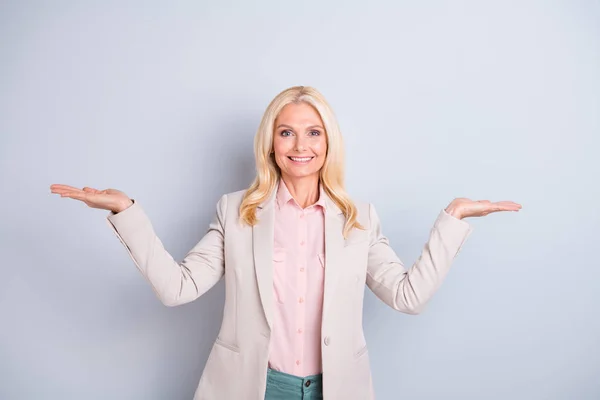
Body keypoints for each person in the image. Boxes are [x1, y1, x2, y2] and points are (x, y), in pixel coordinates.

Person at [50, 85, 521, 400]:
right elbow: (179, 288)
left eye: (313, 132)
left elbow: (407, 296)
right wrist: (125, 212)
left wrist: (453, 219)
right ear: (271, 143)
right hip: (253, 388)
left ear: (329, 142)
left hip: (335, 389)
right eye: (287, 132)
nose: (301, 145)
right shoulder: (236, 211)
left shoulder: (358, 219)